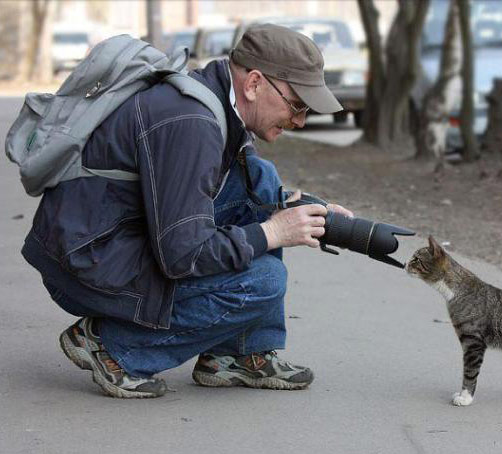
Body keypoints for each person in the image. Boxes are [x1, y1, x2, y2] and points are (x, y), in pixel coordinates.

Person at [21, 23, 353, 398]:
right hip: (88, 265)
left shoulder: (212, 101)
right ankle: (112, 345)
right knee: (262, 282)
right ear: (255, 83)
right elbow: (182, 253)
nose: (301, 120)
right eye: (297, 104)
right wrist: (273, 232)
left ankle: (237, 355)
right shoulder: (190, 122)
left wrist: (301, 211)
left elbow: (236, 195)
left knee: (261, 178)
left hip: (109, 237)